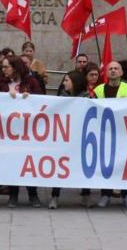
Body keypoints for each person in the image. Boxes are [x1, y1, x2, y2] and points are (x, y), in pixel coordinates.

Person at [0, 56, 43, 208]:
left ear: (15, 67)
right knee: (12, 162)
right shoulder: (0, 83)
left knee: (28, 162)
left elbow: (43, 102)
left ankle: (32, 194)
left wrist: (31, 99)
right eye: (3, 67)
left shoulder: (31, 82)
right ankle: (13, 195)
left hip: (28, 130)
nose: (3, 70)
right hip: (8, 131)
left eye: (6, 66)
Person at [93, 61, 127, 208]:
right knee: (106, 165)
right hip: (105, 133)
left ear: (122, 72)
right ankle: (105, 194)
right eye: (110, 68)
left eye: (116, 68)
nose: (113, 71)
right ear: (106, 72)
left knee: (125, 165)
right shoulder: (98, 90)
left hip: (124, 134)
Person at [49, 70, 91, 209]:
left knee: (83, 165)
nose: (64, 83)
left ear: (75, 82)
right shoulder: (61, 97)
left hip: (80, 139)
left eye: (67, 80)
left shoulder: (87, 98)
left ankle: (86, 195)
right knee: (60, 166)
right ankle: (55, 196)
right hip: (63, 138)